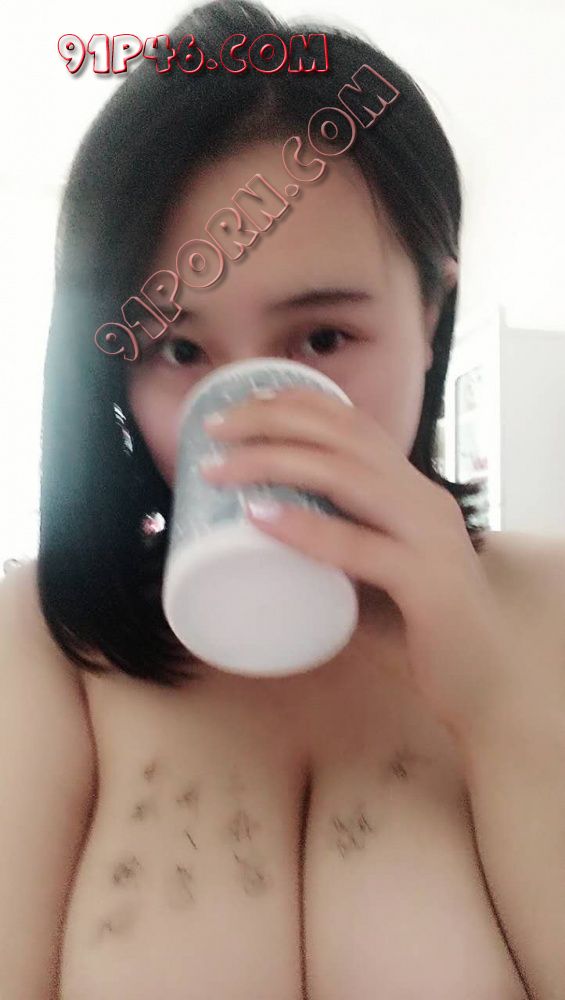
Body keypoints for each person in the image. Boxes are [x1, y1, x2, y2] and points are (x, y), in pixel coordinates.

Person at [1, 1, 564, 998]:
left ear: (431, 314)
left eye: (322, 339)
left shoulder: (545, 601)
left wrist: (491, 699)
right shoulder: (46, 642)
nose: (254, 415)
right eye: (180, 349)